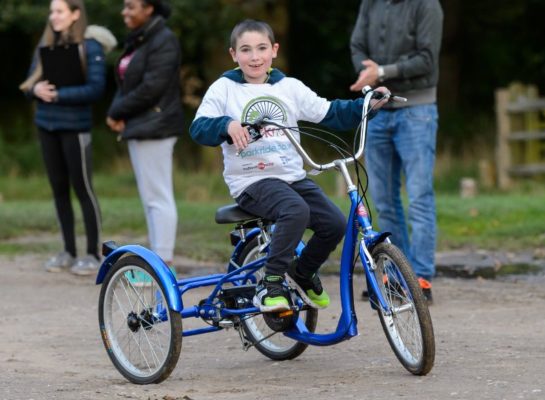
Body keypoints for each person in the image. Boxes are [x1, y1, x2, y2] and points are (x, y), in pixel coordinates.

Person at [190, 19, 388, 313]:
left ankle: (302, 273)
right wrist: (227, 124)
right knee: (295, 211)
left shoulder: (288, 87)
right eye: (246, 50)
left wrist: (365, 106)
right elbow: (199, 128)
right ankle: (271, 284)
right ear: (234, 54)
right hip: (252, 181)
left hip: (291, 177)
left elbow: (330, 112)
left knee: (334, 223)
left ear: (274, 50)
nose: (254, 57)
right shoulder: (224, 89)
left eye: (261, 48)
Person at [349, 0, 443, 303]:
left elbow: (427, 58)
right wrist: (369, 75)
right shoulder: (370, 4)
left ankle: (421, 277)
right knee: (385, 200)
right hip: (377, 110)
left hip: (417, 110)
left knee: (419, 197)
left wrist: (383, 72)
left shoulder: (427, 6)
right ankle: (397, 276)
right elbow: (357, 45)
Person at [19, 0, 117, 275]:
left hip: (76, 129)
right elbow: (28, 86)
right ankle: (68, 251)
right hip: (46, 127)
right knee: (59, 190)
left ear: (75, 15)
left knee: (83, 188)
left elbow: (96, 89)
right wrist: (36, 89)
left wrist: (60, 95)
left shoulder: (91, 47)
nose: (53, 16)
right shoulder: (44, 47)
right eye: (51, 11)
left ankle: (92, 254)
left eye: (59, 11)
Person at [106, 0, 183, 266]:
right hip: (141, 125)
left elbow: (152, 87)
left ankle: (163, 263)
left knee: (158, 197)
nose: (124, 12)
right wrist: (120, 113)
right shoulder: (141, 39)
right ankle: (156, 262)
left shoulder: (164, 40)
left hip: (157, 127)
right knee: (150, 198)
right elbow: (128, 82)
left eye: (130, 7)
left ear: (149, 8)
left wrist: (116, 111)